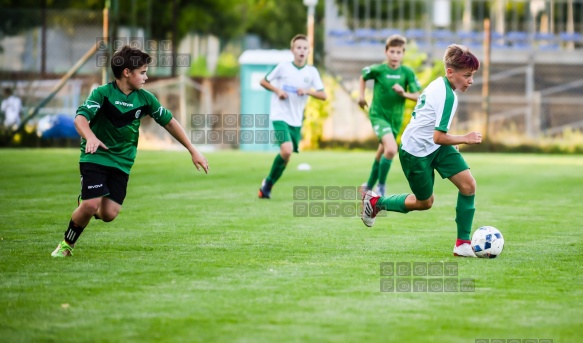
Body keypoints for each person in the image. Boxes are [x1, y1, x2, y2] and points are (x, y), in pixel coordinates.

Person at [51, 45, 209, 257]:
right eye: (142, 72)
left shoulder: (145, 99)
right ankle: (66, 245)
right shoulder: (102, 94)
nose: (146, 76)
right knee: (90, 205)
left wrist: (192, 150)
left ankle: (88, 202)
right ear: (127, 72)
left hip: (122, 162)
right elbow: (80, 119)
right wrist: (90, 137)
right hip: (96, 156)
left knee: (109, 214)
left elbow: (169, 122)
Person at [361, 44, 482, 257]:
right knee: (425, 202)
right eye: (467, 75)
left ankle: (462, 243)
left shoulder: (443, 86)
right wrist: (465, 139)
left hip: (436, 146)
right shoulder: (447, 95)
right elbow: (438, 136)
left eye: (472, 75)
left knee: (468, 185)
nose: (471, 80)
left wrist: (451, 141)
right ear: (450, 72)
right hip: (415, 152)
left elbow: (437, 130)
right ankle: (375, 202)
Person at [257, 34, 327, 199]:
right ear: (292, 50)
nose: (301, 51)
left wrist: (307, 91)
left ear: (309, 51)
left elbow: (323, 95)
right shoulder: (283, 67)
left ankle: (267, 185)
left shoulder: (311, 71)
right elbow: (263, 81)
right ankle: (267, 185)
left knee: (287, 156)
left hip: (296, 119)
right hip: (279, 115)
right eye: (298, 48)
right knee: (286, 150)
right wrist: (278, 91)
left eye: (304, 48)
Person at [358, 34, 420, 196]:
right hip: (378, 115)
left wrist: (403, 93)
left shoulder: (407, 72)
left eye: (398, 52)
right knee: (391, 149)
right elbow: (363, 76)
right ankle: (381, 186)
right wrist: (361, 96)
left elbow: (417, 96)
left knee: (382, 152)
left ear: (403, 54)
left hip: (395, 119)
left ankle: (368, 187)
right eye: (392, 51)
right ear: (386, 52)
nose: (395, 55)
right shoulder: (379, 70)